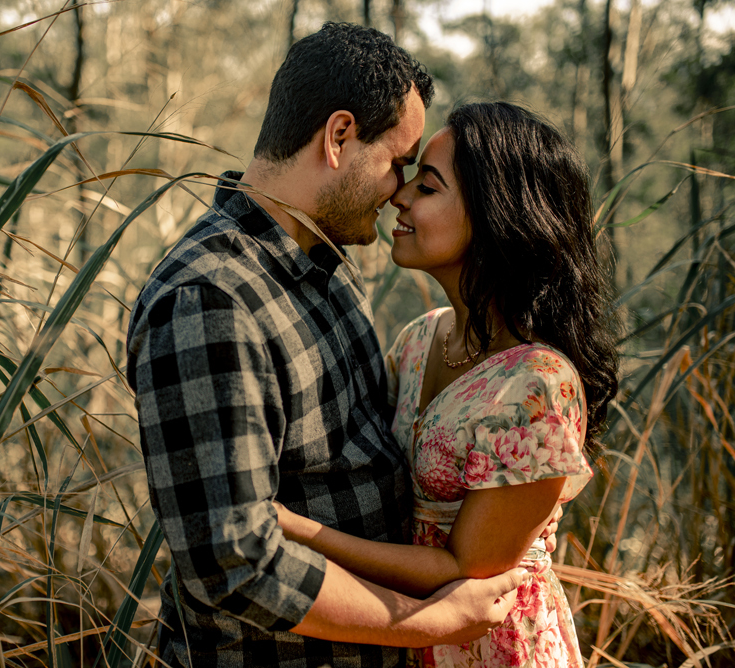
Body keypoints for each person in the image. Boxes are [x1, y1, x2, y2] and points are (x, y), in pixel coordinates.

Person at [126, 23, 549, 668]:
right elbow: (234, 561)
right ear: (339, 136)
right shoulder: (211, 301)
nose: (398, 191)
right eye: (397, 163)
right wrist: (422, 623)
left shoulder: (325, 265)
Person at [275, 102, 620, 667]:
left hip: (495, 643)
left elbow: (468, 568)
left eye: (428, 188)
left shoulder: (538, 387)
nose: (400, 198)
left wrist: (298, 532)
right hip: (412, 635)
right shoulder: (419, 341)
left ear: (495, 217)